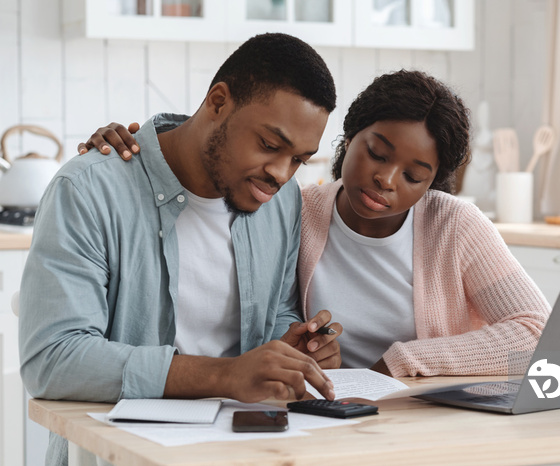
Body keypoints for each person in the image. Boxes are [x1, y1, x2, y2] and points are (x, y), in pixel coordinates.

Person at [81, 70, 551, 379]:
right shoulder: (291, 209)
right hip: (321, 419)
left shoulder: (455, 226)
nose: (385, 180)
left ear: (433, 183)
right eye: (377, 152)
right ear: (350, 136)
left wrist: (404, 361)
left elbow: (536, 332)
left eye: (413, 175)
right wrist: (141, 143)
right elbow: (220, 149)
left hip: (423, 421)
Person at [20, 33, 341, 466]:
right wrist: (226, 376)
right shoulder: (89, 189)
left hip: (251, 448)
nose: (282, 174)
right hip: (121, 455)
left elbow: (277, 308)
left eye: (299, 159)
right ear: (218, 102)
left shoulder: (281, 201)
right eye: (269, 145)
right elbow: (53, 359)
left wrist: (293, 349)